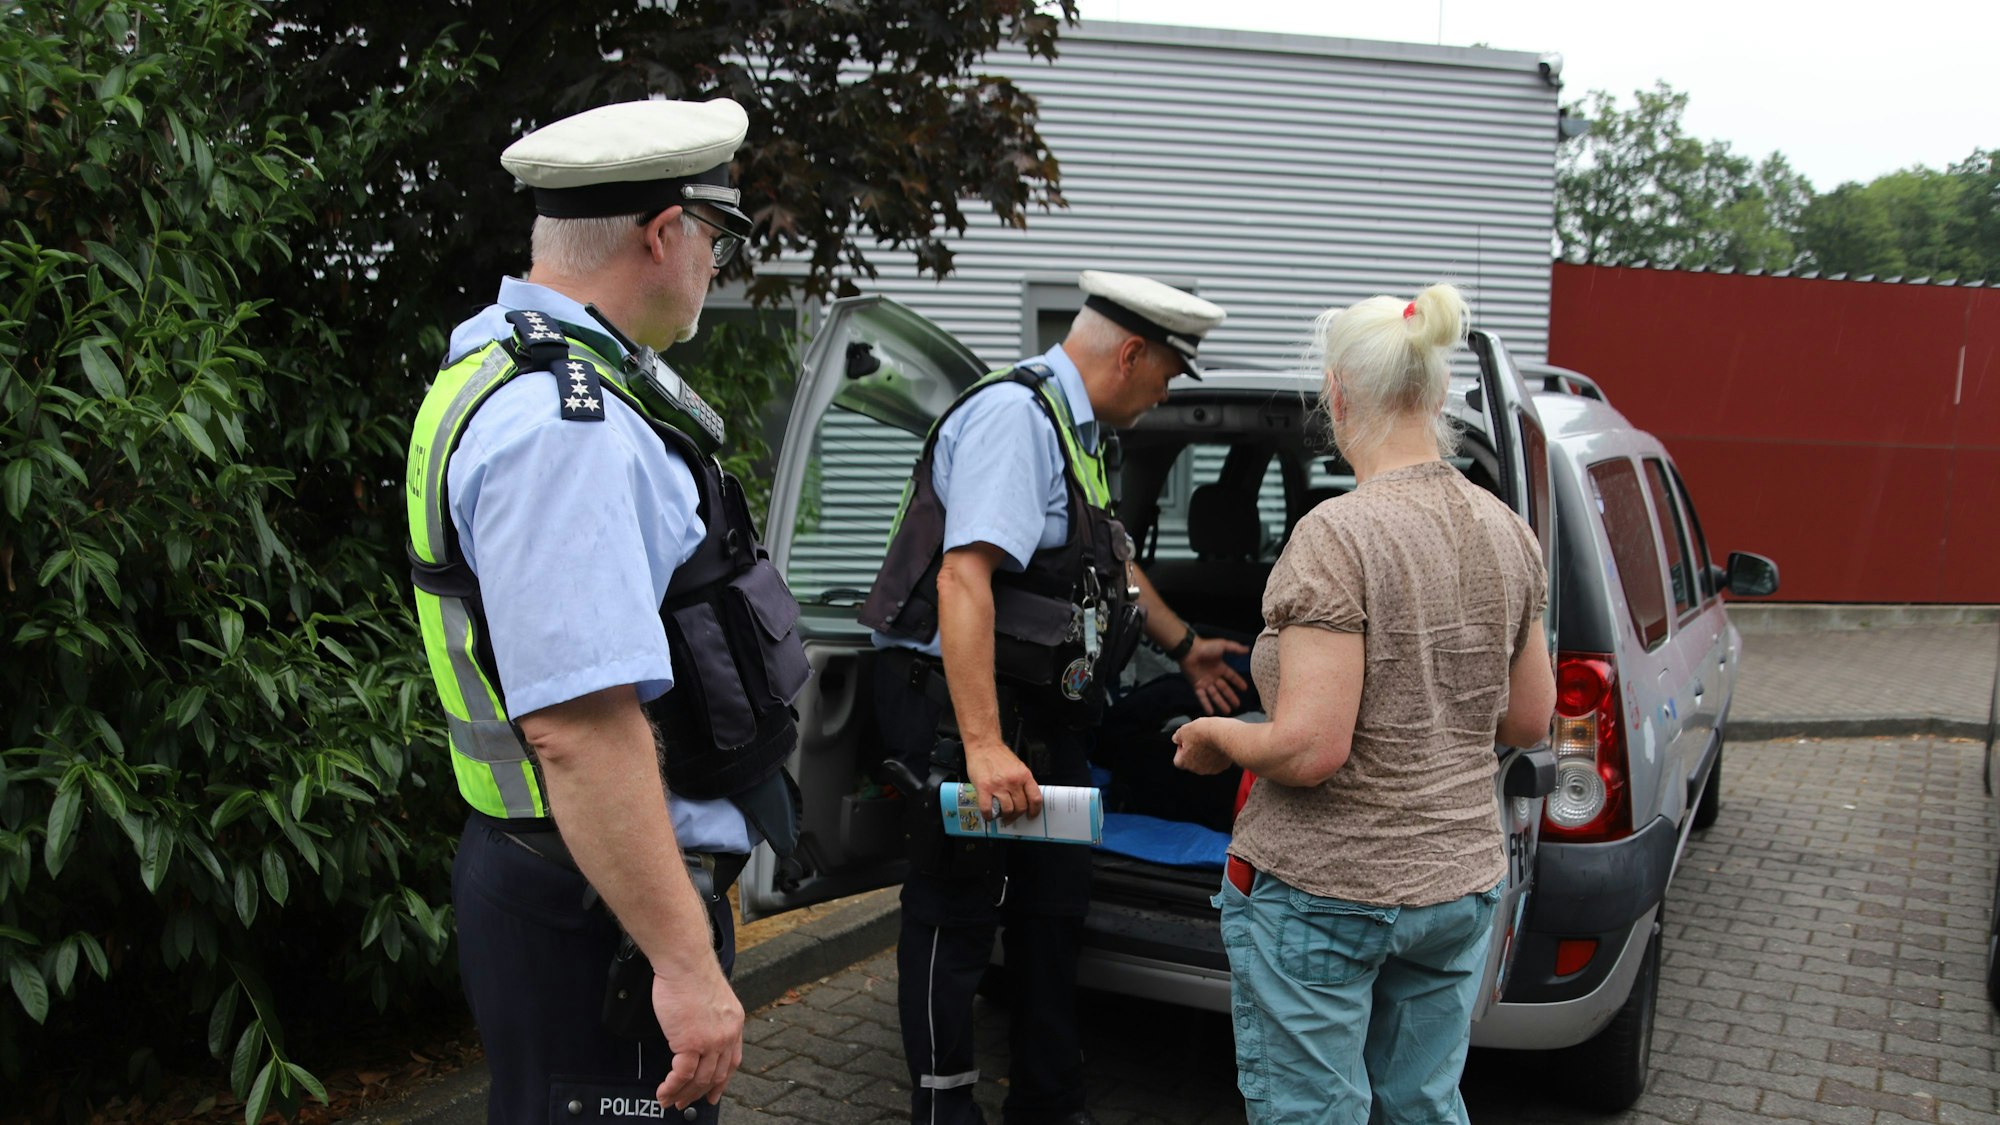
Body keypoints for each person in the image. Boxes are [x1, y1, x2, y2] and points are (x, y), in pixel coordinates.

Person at [403, 98, 808, 1124]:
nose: (714, 263)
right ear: (664, 233)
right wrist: (683, 964)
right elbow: (580, 731)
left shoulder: (510, 367)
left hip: (571, 881)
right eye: (714, 236)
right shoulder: (563, 426)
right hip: (600, 906)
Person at [860, 271, 1246, 1125]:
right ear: (1133, 354)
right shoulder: (1016, 419)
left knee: (1053, 901)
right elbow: (966, 578)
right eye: (1168, 374)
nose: (1165, 391)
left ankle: (1047, 1098)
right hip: (963, 711)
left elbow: (1103, 556)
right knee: (956, 909)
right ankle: (943, 1109)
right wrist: (985, 744)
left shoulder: (1080, 431)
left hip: (1038, 714)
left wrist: (1183, 645)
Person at [1170, 284, 1556, 1125]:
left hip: (1328, 890)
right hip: (1459, 881)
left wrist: (1218, 734)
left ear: (1339, 395)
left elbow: (1311, 750)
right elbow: (1529, 720)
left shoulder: (1336, 535)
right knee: (1423, 1103)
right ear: (1435, 391)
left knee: (1314, 1113)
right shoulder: (1508, 531)